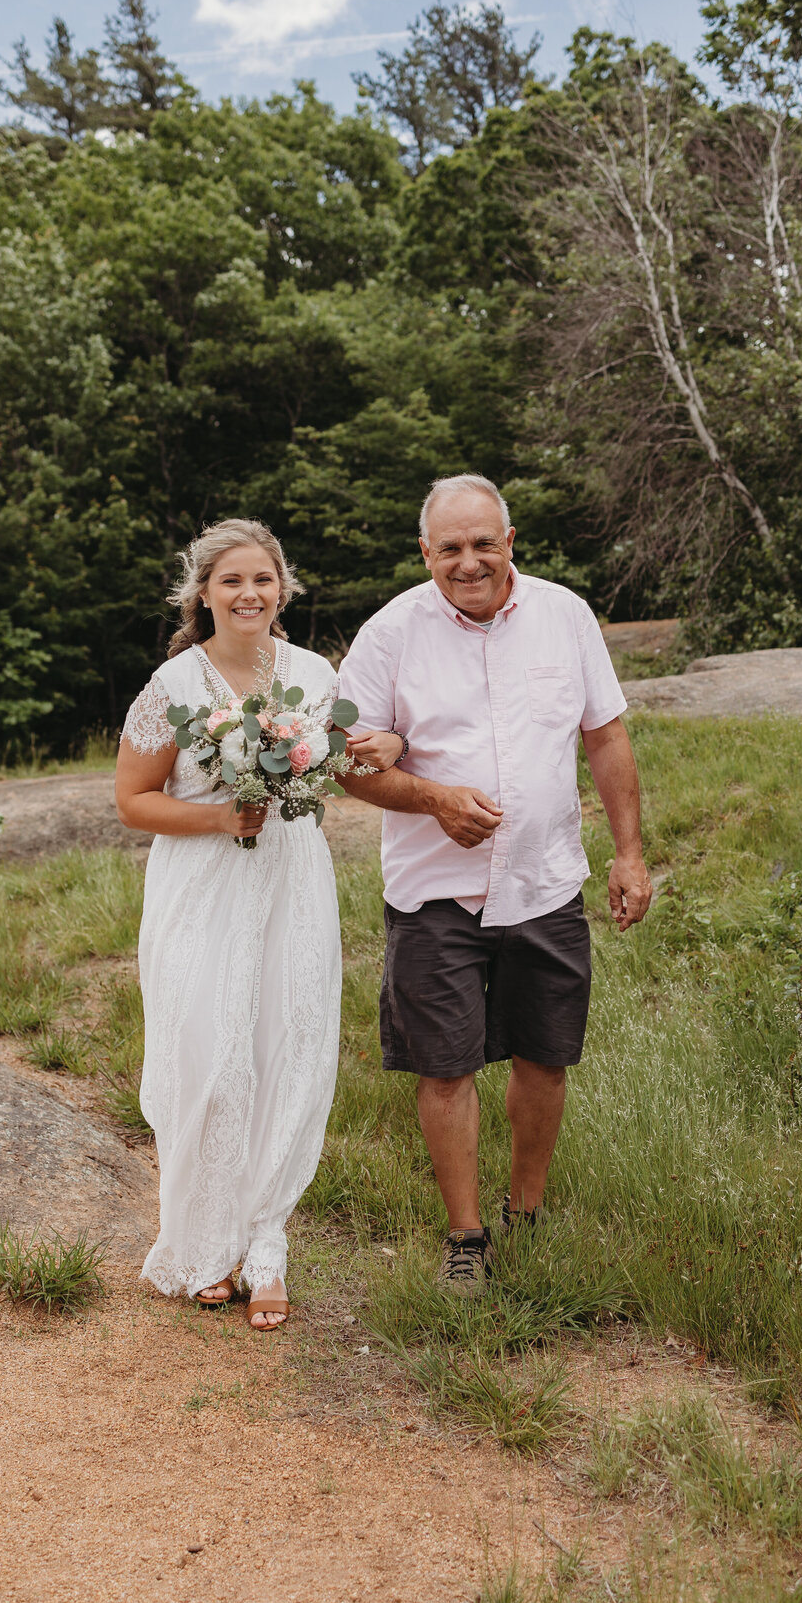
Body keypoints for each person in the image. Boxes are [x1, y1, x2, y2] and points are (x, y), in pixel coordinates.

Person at [337, 474, 652, 1296]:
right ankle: (466, 1236)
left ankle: (529, 1212)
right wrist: (432, 799)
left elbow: (606, 736)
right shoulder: (388, 635)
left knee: (545, 1057)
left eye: (484, 544)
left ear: (511, 541)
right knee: (446, 1068)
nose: (468, 562)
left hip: (545, 880)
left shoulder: (564, 614)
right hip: (434, 889)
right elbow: (348, 764)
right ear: (426, 553)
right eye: (450, 549)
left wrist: (629, 853)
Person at [115, 518, 402, 1329]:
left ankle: (266, 1243)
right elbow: (132, 800)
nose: (249, 594)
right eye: (231, 581)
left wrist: (383, 742)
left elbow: (341, 759)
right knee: (205, 1054)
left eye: (263, 580)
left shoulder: (314, 672)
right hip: (201, 886)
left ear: (283, 589)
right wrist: (221, 820)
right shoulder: (172, 686)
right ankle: (203, 1242)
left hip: (290, 883)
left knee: (287, 1045)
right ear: (202, 594)